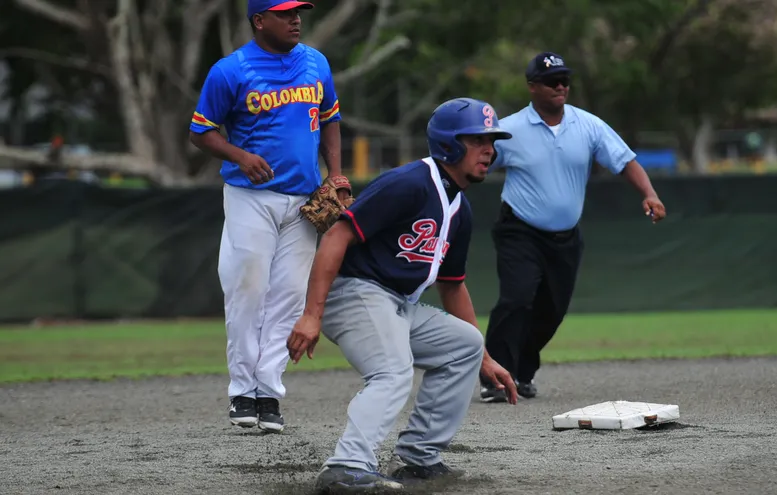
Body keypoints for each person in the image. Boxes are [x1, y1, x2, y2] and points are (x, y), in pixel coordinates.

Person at [286, 97, 519, 493]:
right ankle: (346, 467)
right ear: (449, 144)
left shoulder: (459, 208)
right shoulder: (409, 183)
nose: (489, 150)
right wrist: (312, 314)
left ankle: (418, 459)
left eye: (492, 141)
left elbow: (453, 284)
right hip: (355, 292)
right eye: (477, 140)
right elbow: (337, 236)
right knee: (393, 370)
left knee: (465, 343)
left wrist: (485, 358)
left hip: (398, 304)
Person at [188, 0, 349, 433]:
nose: (296, 19)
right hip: (250, 197)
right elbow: (201, 130)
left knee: (289, 297)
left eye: (299, 13)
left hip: (303, 200)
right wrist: (239, 156)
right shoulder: (231, 70)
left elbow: (331, 118)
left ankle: (268, 394)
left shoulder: (315, 62)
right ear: (259, 21)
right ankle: (242, 390)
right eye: (285, 13)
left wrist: (335, 175)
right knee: (248, 288)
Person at [479, 52, 668, 403]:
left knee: (552, 309)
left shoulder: (588, 125)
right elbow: (478, 164)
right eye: (552, 81)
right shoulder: (511, 130)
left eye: (565, 80)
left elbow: (624, 160)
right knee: (517, 298)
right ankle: (495, 377)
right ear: (532, 87)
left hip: (565, 237)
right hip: (519, 229)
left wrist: (649, 193)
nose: (561, 86)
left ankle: (520, 372)